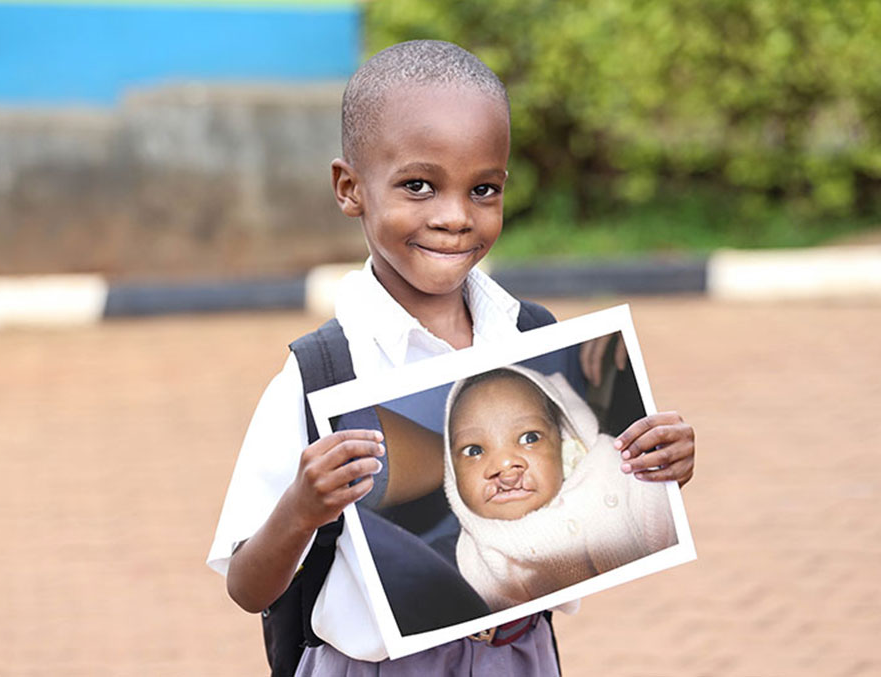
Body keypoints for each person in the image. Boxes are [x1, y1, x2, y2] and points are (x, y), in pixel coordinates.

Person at [208, 39, 696, 675]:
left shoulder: (531, 337)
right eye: (418, 186)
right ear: (350, 188)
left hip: (519, 655)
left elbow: (600, 501)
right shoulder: (322, 374)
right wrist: (302, 508)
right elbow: (248, 588)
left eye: (483, 189)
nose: (454, 217)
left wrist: (659, 465)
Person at [444, 365, 677, 613]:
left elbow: (669, 528)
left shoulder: (613, 472)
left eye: (529, 438)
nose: (504, 464)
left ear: (562, 443)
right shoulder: (481, 559)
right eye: (474, 451)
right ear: (451, 470)